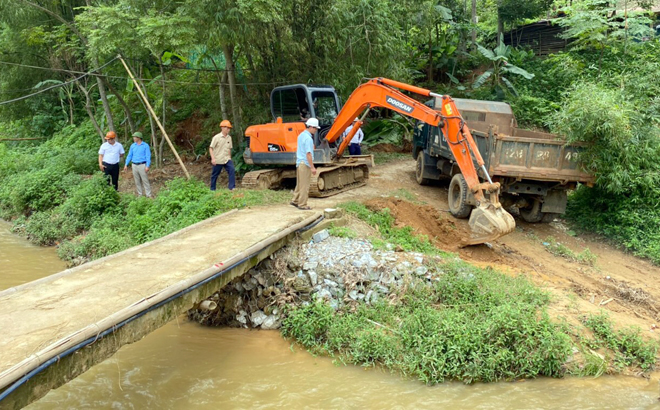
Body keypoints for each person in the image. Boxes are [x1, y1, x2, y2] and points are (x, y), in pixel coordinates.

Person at [290, 118, 319, 210]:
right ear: (310, 127)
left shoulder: (301, 135)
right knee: (305, 185)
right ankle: (302, 204)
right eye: (315, 128)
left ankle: (295, 200)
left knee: (299, 184)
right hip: (305, 164)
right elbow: (309, 154)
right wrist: (312, 167)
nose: (316, 130)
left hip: (299, 163)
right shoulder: (308, 139)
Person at [123, 131, 152, 198]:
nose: (133, 138)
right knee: (137, 180)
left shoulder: (145, 145)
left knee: (145, 180)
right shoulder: (133, 146)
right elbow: (129, 155)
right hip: (134, 165)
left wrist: (147, 166)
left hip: (142, 164)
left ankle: (148, 194)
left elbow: (148, 156)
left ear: (138, 138)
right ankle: (140, 194)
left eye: (134, 137)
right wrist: (126, 164)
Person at [209, 120, 236, 190]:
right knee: (215, 175)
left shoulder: (229, 138)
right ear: (222, 128)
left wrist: (229, 157)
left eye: (229, 128)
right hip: (218, 159)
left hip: (226, 159)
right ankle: (212, 189)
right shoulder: (216, 137)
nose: (228, 129)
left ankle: (232, 187)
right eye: (227, 128)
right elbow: (211, 148)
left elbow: (229, 148)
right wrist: (213, 159)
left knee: (232, 170)